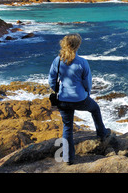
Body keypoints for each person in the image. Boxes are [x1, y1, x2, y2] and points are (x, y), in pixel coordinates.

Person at [48, 33, 110, 165]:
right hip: (80, 99)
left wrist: (57, 90)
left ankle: (68, 158)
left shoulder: (57, 60)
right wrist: (86, 93)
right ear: (77, 46)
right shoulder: (82, 62)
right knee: (95, 109)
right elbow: (87, 83)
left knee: (67, 127)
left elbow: (51, 80)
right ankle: (102, 133)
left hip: (63, 100)